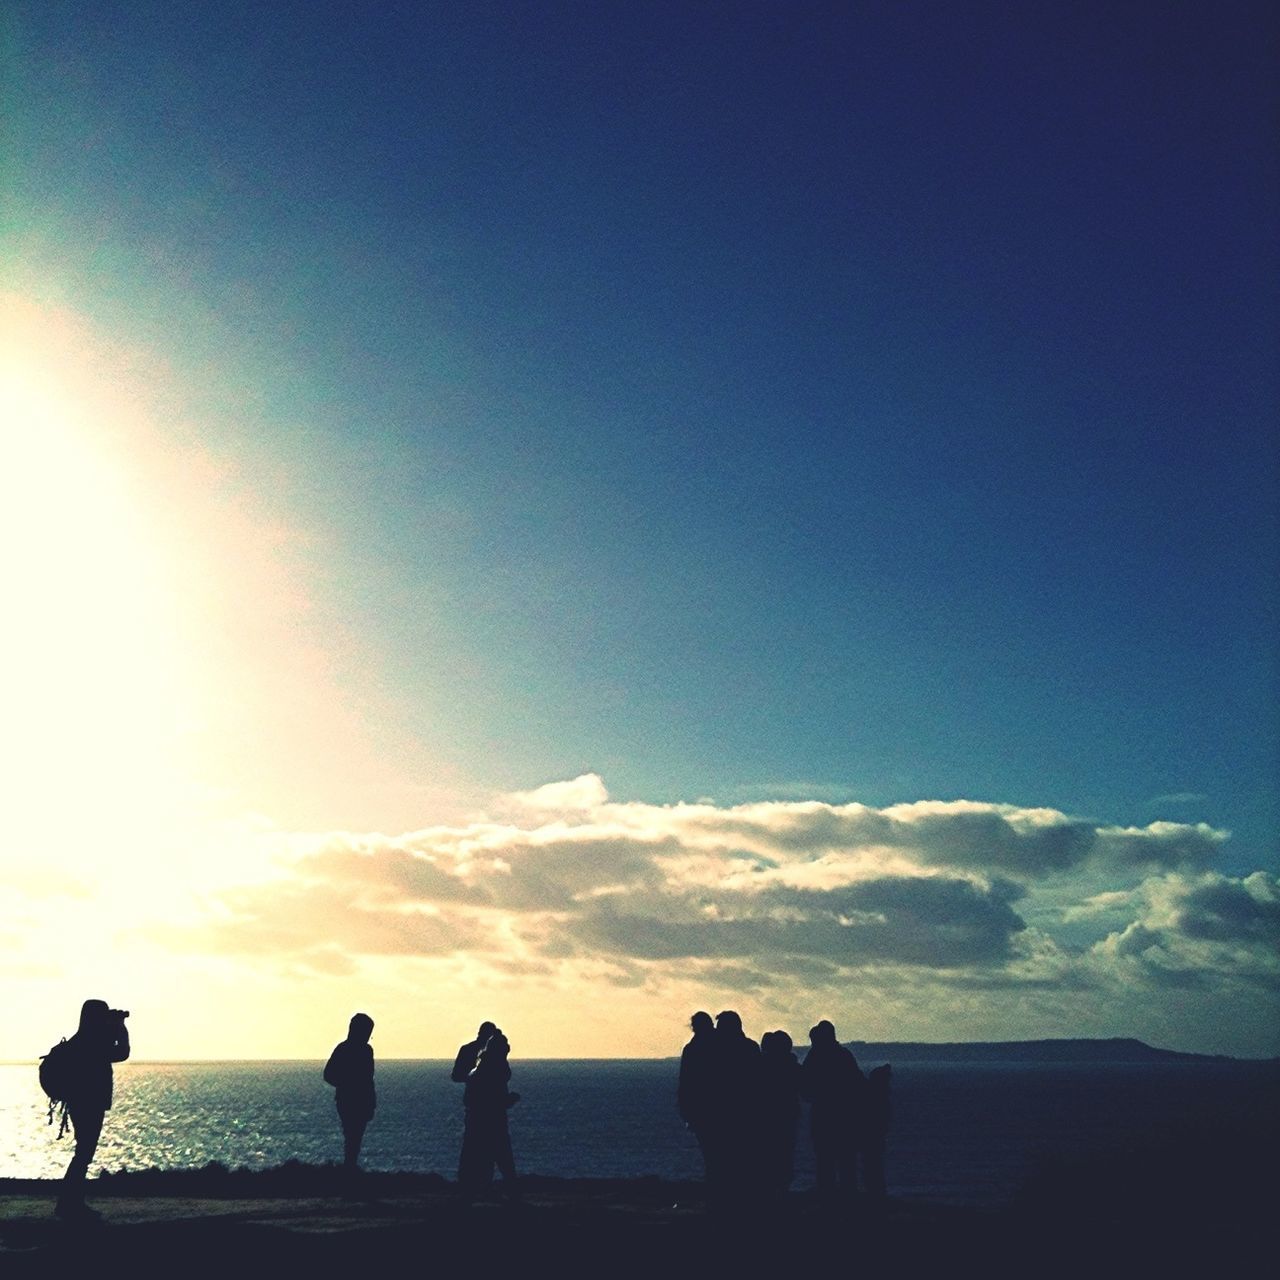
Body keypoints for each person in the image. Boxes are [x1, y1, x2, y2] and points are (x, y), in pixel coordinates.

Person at [57, 999, 130, 1221]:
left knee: (83, 1152)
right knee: (84, 1154)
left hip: (79, 1104)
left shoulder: (80, 1040)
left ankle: (69, 1202)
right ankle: (70, 1204)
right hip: (90, 1104)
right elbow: (122, 1052)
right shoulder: (94, 1043)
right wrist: (120, 1027)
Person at [800, 1020, 865, 1199]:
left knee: (825, 1157)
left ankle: (827, 1192)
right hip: (843, 1115)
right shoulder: (844, 1056)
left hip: (825, 1113)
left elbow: (804, 1084)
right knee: (843, 1158)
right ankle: (845, 1193)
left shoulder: (815, 1056)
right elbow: (857, 1084)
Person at [705, 1010, 762, 1209]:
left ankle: (724, 1203)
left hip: (725, 1116)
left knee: (721, 1161)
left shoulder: (714, 1052)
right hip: (744, 1115)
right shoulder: (751, 1048)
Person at [457, 1029, 520, 1199]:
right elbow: (493, 1100)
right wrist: (509, 1100)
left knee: (479, 1157)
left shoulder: (477, 1071)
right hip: (492, 1122)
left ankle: (474, 1190)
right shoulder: (493, 1072)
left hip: (476, 1120)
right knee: (502, 1158)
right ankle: (509, 1193)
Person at [323, 1013, 376, 1187]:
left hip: (361, 1099)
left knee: (355, 1138)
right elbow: (328, 1074)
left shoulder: (367, 1051)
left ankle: (350, 1172)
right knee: (352, 1137)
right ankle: (349, 1175)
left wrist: (371, 1100)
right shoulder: (344, 1049)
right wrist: (347, 1083)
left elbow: (369, 1078)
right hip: (348, 1100)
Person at [758, 1030, 802, 1198]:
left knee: (766, 1157)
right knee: (784, 1157)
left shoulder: (761, 1067)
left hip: (765, 1120)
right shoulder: (792, 1067)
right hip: (787, 1118)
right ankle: (781, 1191)